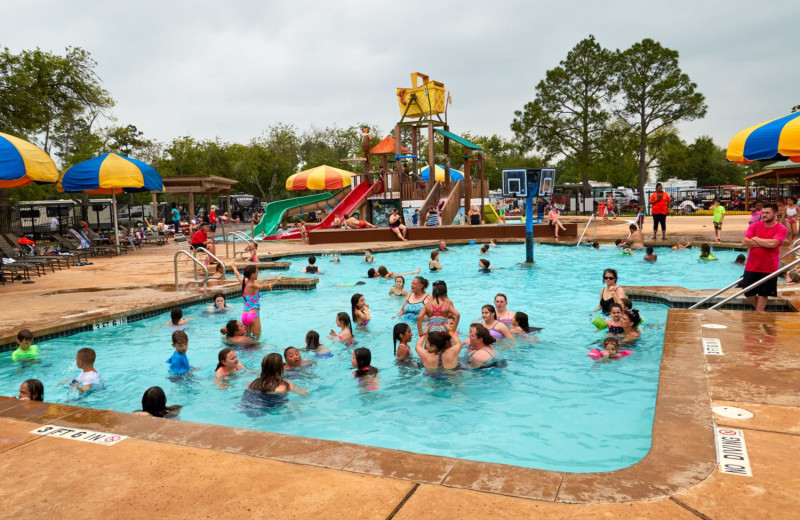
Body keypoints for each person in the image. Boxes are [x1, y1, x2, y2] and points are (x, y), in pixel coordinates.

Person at [740, 203, 788, 311]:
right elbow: (744, 241)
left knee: (763, 293)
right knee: (747, 290)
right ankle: (760, 313)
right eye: (763, 212)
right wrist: (765, 243)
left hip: (769, 266)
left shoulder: (781, 228)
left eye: (767, 213)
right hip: (752, 265)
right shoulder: (755, 225)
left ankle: (759, 315)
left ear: (775, 214)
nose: (764, 215)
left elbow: (773, 244)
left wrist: (756, 239)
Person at [231, 261, 281, 339]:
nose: (258, 274)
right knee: (256, 340)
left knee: (247, 338)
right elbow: (264, 287)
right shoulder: (253, 285)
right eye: (257, 272)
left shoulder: (244, 283)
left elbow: (237, 275)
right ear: (252, 274)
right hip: (253, 315)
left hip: (244, 315)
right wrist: (277, 281)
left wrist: (234, 267)